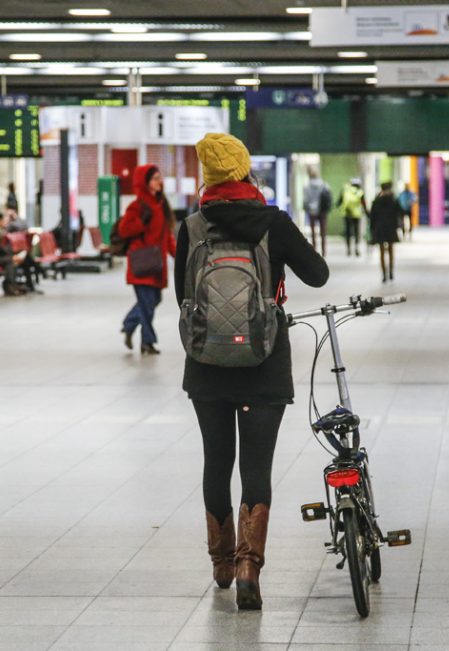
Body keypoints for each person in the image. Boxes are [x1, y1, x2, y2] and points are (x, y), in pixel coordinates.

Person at [177, 133, 329, 611]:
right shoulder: (272, 222)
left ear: (207, 177)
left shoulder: (192, 227)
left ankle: (221, 562)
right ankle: (248, 568)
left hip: (207, 365)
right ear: (245, 170)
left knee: (216, 461)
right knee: (256, 468)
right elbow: (318, 274)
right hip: (264, 363)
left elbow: (182, 294)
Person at [119, 164, 176, 355]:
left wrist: (178, 254)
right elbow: (124, 230)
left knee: (153, 300)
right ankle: (147, 342)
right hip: (142, 263)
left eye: (160, 177)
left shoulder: (161, 205)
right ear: (145, 182)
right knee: (147, 304)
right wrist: (141, 222)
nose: (160, 181)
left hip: (156, 265)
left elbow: (167, 236)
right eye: (155, 178)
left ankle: (129, 324)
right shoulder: (137, 206)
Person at [369, 182, 404, 283]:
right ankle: (391, 272)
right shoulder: (393, 200)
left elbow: (372, 217)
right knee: (391, 250)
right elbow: (400, 212)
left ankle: (384, 274)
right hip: (391, 228)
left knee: (381, 252)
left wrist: (372, 230)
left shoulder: (377, 201)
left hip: (379, 229)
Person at [302, 168, 332, 256]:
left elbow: (305, 200)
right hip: (322, 211)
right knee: (323, 231)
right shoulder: (324, 185)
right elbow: (328, 196)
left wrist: (306, 208)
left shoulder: (307, 187)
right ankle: (324, 251)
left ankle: (314, 250)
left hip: (312, 211)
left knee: (313, 232)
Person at [338, 178, 367, 257]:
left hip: (347, 214)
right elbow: (363, 204)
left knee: (348, 232)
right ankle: (356, 249)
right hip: (356, 215)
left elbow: (339, 202)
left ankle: (348, 249)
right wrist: (367, 213)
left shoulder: (345, 190)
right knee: (356, 232)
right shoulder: (360, 192)